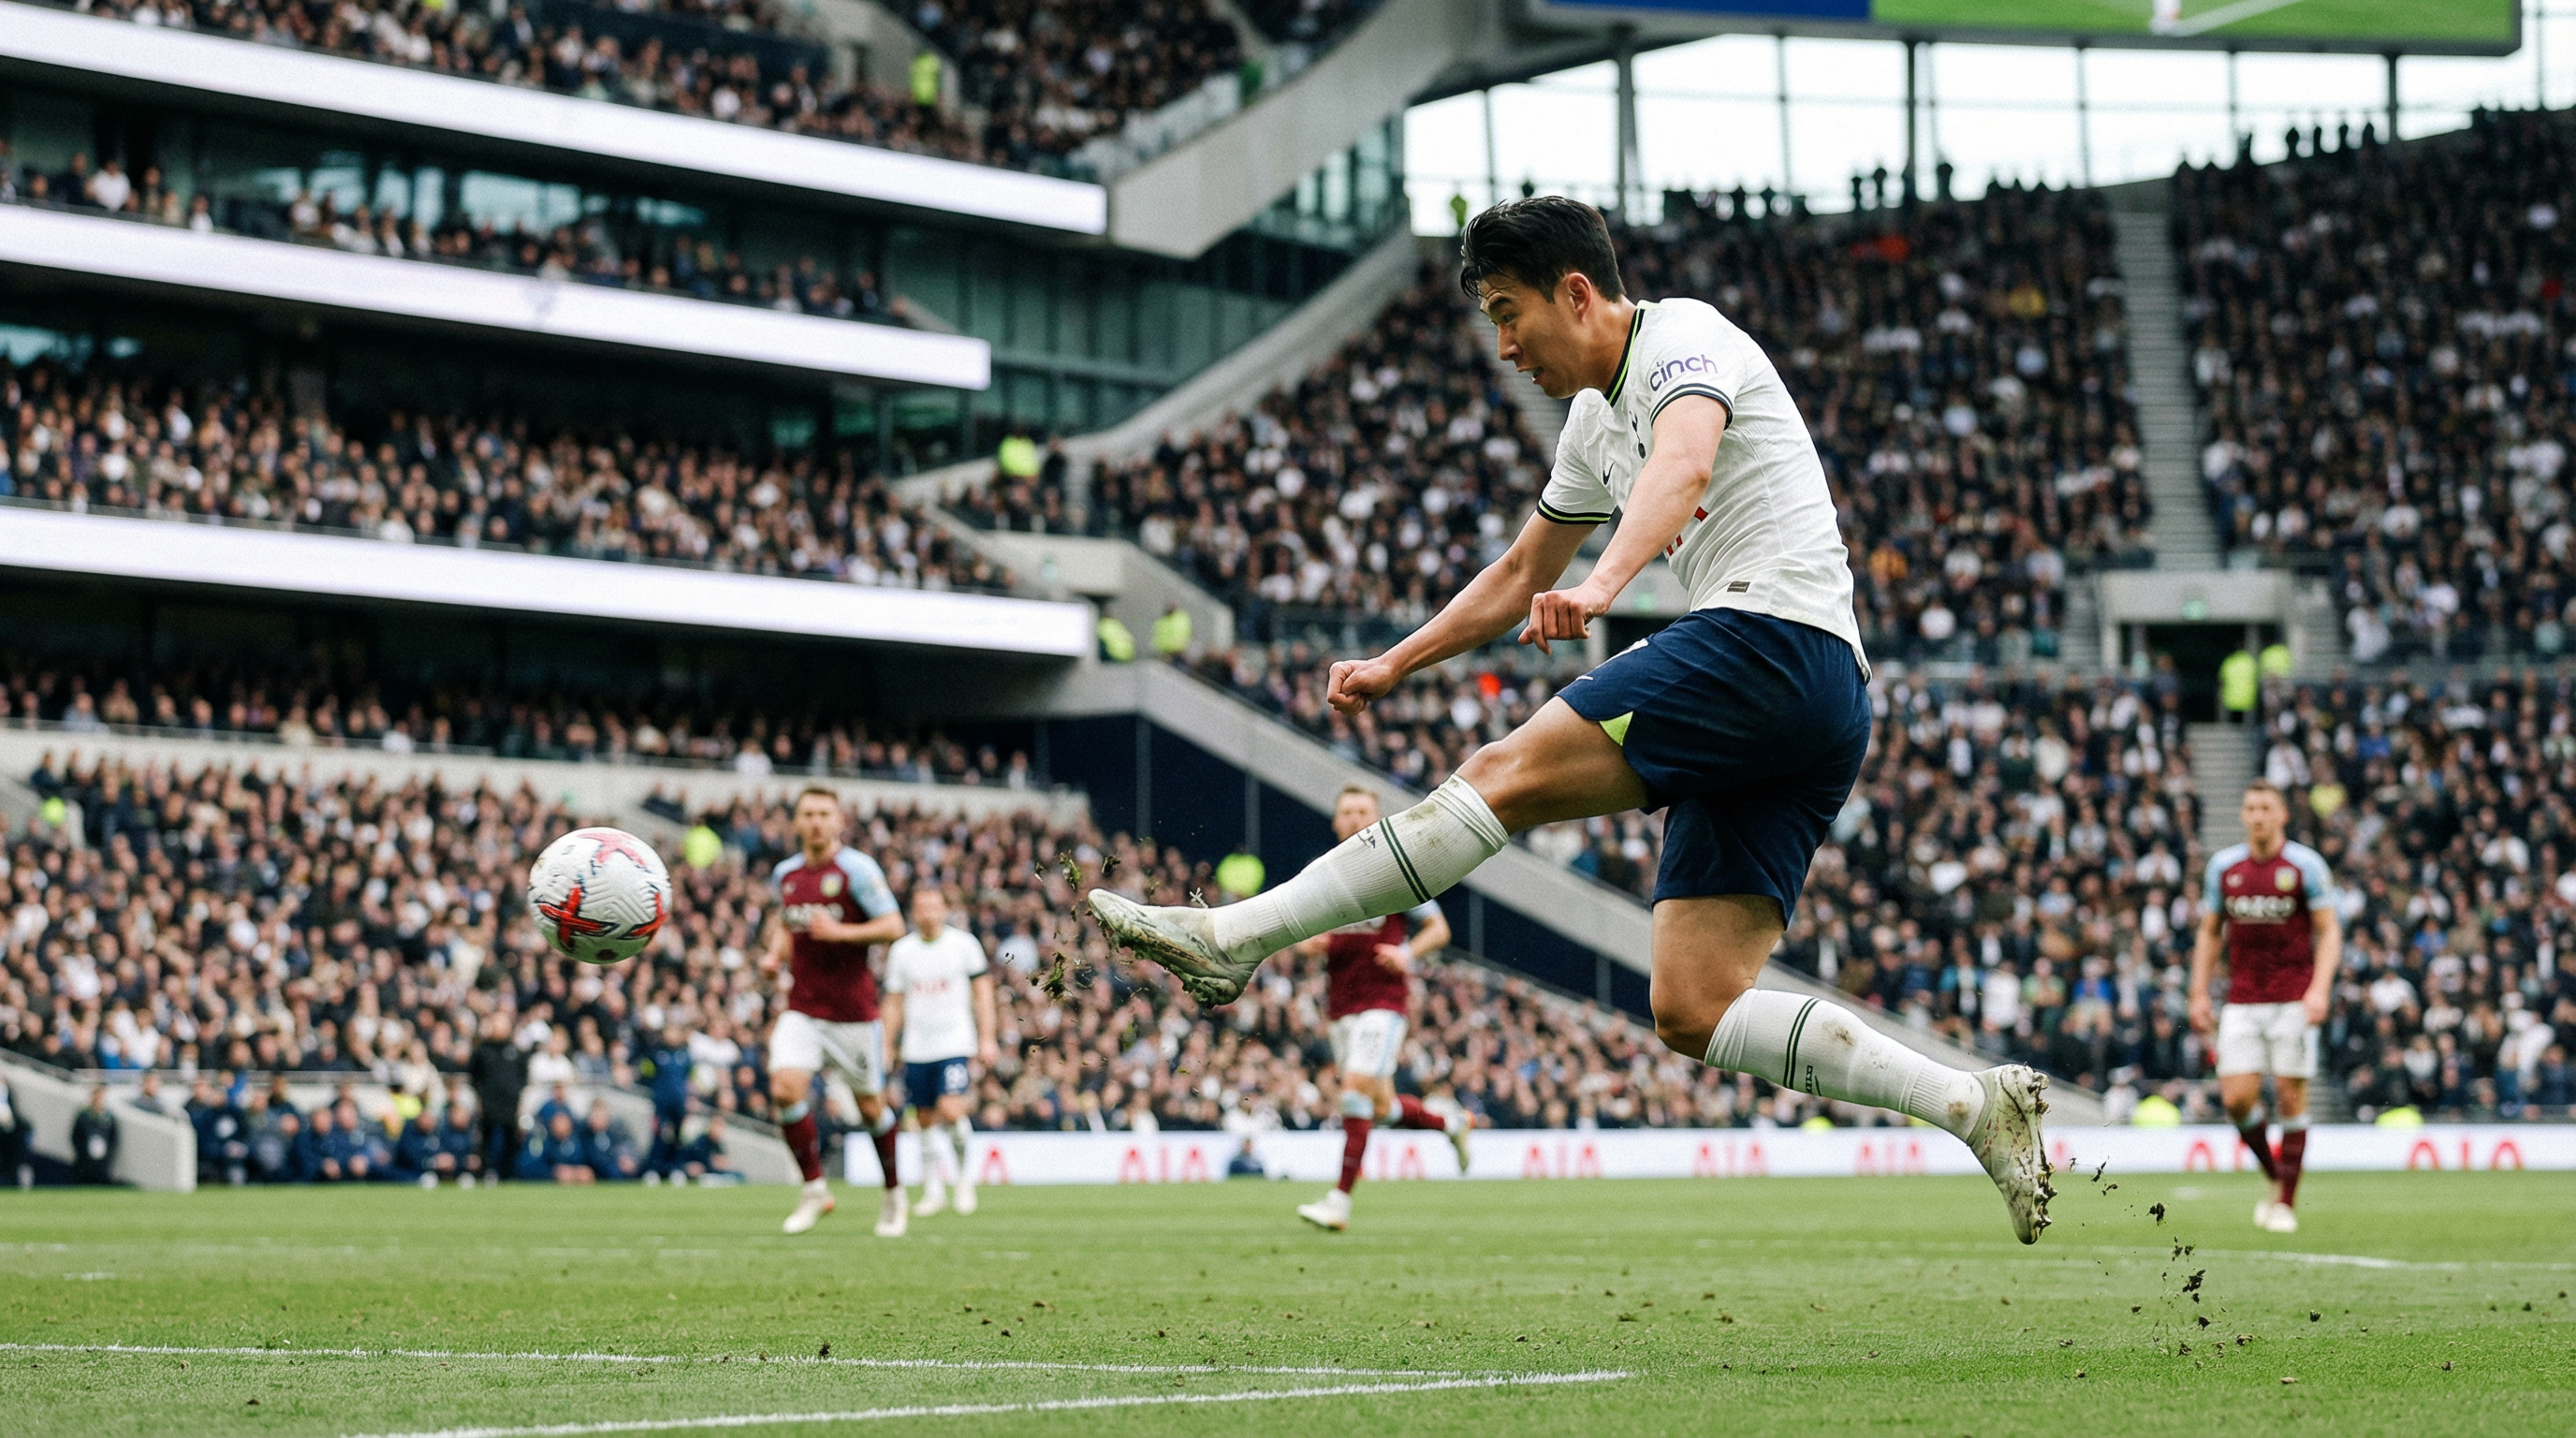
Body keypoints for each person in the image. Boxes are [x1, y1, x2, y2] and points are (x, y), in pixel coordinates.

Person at [1090, 195, 2053, 1243]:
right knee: (1694, 1004)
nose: (1503, 347)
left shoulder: (1686, 337)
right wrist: (1395, 662)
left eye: (1510, 314)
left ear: (1577, 293)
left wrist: (1604, 588)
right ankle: (1970, 1105)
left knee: (1499, 773)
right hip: (1809, 700)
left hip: (1776, 639)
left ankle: (1237, 936)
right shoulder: (1592, 427)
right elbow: (1516, 573)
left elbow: (1683, 463)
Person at [1289, 785, 1472, 1233]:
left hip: (1383, 1002)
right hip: (1342, 1004)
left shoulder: (1396, 869)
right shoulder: (1323, 875)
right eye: (1346, 812)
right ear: (1335, 822)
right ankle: (1449, 1123)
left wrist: (1407, 955)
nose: (1353, 818)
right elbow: (1308, 936)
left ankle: (1339, 1202)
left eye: (1362, 811)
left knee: (1353, 1089)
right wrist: (1313, 944)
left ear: (1376, 818)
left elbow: (1438, 928)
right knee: (1381, 1105)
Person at [2189, 778, 2340, 1234]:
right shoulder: (2225, 868)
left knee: (2291, 1097)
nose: (2257, 815)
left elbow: (2328, 931)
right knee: (2236, 1099)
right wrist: (2198, 992)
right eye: (2250, 808)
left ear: (2282, 815)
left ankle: (2285, 1205)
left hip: (2293, 999)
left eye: (2265, 808)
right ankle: (2276, 1175)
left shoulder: (2304, 867)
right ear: (2243, 815)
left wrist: (2319, 988)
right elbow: (2210, 932)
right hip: (2242, 1000)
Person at [766, 785, 909, 1237]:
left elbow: (893, 926)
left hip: (852, 1011)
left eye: (824, 813)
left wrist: (841, 933)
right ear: (795, 821)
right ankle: (814, 1190)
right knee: (785, 1088)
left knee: (871, 1109)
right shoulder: (786, 874)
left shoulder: (857, 870)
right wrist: (775, 955)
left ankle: (893, 1194)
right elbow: (788, 923)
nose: (815, 821)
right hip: (803, 1007)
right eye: (807, 813)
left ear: (839, 821)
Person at [884, 888, 996, 1218]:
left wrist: (987, 1037)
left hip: (954, 1043)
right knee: (924, 1119)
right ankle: (933, 1190)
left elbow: (983, 993)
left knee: (952, 1109)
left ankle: (963, 1180)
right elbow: (894, 1002)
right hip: (917, 1047)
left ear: (946, 909)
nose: (928, 913)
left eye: (934, 906)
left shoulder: (964, 945)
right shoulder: (902, 951)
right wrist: (888, 1043)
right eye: (921, 908)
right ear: (913, 913)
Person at [467, 1011, 530, 1180]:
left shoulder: (516, 1052)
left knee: (511, 1143)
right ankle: (483, 1173)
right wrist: (479, 1100)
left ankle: (507, 1175)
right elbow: (474, 1078)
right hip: (489, 1105)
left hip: (510, 1105)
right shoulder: (482, 1051)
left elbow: (523, 1079)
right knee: (485, 1143)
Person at [71, 1085, 118, 1184]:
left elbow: (113, 1138)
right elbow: (75, 1136)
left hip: (102, 1162)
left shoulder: (109, 1117)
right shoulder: (83, 1116)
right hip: (85, 1161)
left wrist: (109, 1154)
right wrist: (81, 1151)